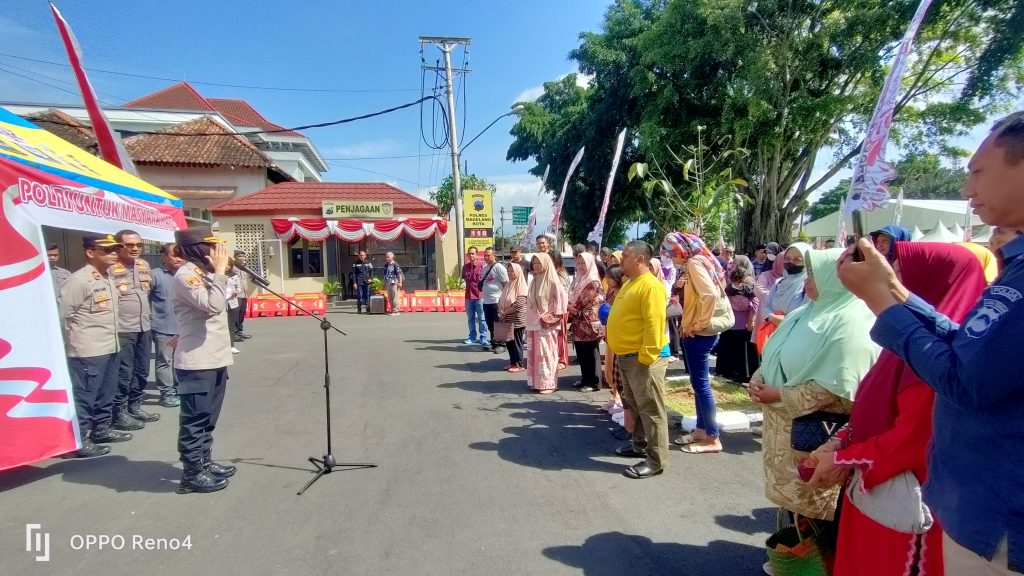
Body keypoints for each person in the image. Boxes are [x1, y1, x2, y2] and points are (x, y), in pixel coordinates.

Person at [836, 111, 1024, 574]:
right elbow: (965, 347)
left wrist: (884, 300)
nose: (967, 190)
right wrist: (898, 295)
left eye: (978, 171)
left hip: (997, 521)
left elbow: (963, 379)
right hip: (974, 509)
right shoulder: (1014, 270)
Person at [808, 242, 988, 576]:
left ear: (935, 282)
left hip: (909, 502)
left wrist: (842, 458)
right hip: (878, 494)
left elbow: (913, 440)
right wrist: (841, 441)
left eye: (900, 275)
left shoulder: (936, 356)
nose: (891, 283)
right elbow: (872, 408)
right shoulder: (907, 340)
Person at [749, 248, 880, 530]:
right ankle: (791, 556)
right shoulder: (804, 312)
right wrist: (759, 378)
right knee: (793, 508)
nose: (807, 280)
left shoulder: (853, 323)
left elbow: (838, 387)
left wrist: (778, 394)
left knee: (816, 509)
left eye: (814, 274)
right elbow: (775, 351)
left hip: (814, 433)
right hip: (784, 429)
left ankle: (809, 563)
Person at [171, 225, 235, 494]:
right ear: (195, 249)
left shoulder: (203, 273)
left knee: (209, 416)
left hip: (215, 357)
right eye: (209, 246)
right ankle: (191, 474)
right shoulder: (186, 276)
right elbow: (212, 305)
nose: (214, 251)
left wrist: (222, 271)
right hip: (197, 360)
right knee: (195, 419)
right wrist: (219, 273)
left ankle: (204, 462)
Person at [60, 233, 131, 457]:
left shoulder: (107, 276)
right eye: (107, 250)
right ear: (90, 253)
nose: (113, 254)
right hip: (87, 349)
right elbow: (64, 315)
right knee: (85, 394)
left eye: (115, 250)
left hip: (110, 345)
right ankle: (78, 439)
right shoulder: (79, 280)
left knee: (106, 391)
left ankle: (101, 428)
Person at [607, 241, 669, 479]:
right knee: (635, 405)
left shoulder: (650, 286)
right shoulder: (631, 283)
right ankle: (639, 446)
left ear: (640, 259)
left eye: (625, 257)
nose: (620, 260)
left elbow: (654, 325)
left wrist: (646, 358)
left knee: (651, 410)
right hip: (627, 357)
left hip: (642, 360)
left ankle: (656, 461)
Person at [662, 232, 726, 454]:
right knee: (699, 385)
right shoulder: (701, 260)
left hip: (700, 334)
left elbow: (709, 295)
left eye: (672, 252)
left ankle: (712, 437)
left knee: (701, 385)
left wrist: (697, 324)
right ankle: (702, 429)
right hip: (700, 332)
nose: (671, 257)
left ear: (681, 250)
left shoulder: (694, 263)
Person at [110, 229, 158, 431]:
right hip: (123, 328)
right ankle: (119, 412)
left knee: (142, 370)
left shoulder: (144, 265)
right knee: (124, 372)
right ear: (119, 247)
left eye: (138, 244)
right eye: (130, 245)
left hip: (144, 326)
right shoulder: (111, 269)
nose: (136, 248)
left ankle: (135, 405)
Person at [756, 243, 811, 351]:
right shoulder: (779, 283)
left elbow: (805, 315)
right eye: (787, 258)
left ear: (808, 261)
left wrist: (782, 322)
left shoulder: (808, 286)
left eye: (797, 259)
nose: (791, 262)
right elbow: (765, 305)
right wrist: (772, 318)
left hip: (794, 342)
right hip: (772, 339)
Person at [525, 252, 567, 394]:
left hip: (547, 324)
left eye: (539, 263)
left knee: (546, 354)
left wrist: (552, 317)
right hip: (533, 323)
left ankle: (549, 383)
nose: (536, 266)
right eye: (534, 263)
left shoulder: (553, 281)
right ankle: (536, 382)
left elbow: (561, 303)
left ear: (546, 264)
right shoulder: (534, 280)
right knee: (534, 354)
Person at [717, 256, 759, 383]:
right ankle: (744, 373)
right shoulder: (749, 287)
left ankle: (727, 371)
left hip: (730, 323)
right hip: (743, 324)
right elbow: (755, 303)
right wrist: (751, 319)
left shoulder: (729, 288)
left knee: (729, 348)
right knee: (744, 351)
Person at [150, 243, 182, 407]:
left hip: (185, 328)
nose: (178, 258)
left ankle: (179, 390)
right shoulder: (156, 275)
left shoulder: (188, 274)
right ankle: (167, 394)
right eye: (173, 255)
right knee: (165, 361)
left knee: (180, 362)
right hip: (165, 328)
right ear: (164, 257)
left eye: (180, 254)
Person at [568, 252, 605, 392]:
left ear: (590, 263)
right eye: (578, 263)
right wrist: (569, 305)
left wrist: (570, 307)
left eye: (583, 263)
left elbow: (584, 299)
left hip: (589, 321)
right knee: (581, 352)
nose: (580, 266)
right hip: (579, 320)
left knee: (590, 351)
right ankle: (585, 378)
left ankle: (594, 382)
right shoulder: (579, 278)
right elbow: (570, 294)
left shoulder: (592, 280)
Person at [497, 262, 528, 372]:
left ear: (518, 272)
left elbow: (519, 303)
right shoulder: (509, 284)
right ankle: (512, 362)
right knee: (509, 342)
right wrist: (500, 310)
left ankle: (519, 365)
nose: (510, 273)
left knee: (517, 342)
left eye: (512, 271)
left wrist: (505, 312)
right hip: (507, 319)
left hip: (517, 320)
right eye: (508, 271)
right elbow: (502, 299)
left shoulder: (521, 285)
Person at [480, 247, 509, 353]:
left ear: (494, 256)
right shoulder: (484, 268)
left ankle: (502, 344)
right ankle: (494, 343)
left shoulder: (499, 267)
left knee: (498, 324)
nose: (486, 257)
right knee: (490, 324)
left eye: (488, 255)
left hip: (497, 300)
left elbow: (506, 284)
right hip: (486, 301)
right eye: (485, 255)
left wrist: (505, 299)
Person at [550, 248, 571, 370]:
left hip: (561, 309)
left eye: (553, 260)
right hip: (550, 309)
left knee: (561, 335)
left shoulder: (561, 274)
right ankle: (555, 357)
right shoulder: (549, 273)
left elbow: (563, 293)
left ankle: (562, 359)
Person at [462, 246, 487, 345]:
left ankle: (483, 337)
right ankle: (472, 337)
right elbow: (465, 280)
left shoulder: (482, 265)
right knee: (470, 318)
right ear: (467, 255)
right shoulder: (465, 267)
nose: (471, 255)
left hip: (480, 296)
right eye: (469, 253)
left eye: (473, 253)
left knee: (481, 318)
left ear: (476, 254)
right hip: (468, 296)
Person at [231, 250, 251, 339]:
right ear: (235, 257)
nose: (242, 258)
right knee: (235, 314)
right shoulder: (231, 268)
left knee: (242, 314)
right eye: (239, 256)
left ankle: (239, 331)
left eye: (243, 256)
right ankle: (234, 333)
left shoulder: (245, 268)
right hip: (235, 295)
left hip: (244, 294)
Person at [225, 260, 242, 354]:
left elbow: (238, 288)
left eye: (228, 265)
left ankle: (231, 345)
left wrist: (235, 291)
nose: (226, 267)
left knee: (231, 325)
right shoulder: (215, 275)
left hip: (231, 301)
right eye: (224, 265)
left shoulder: (234, 276)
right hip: (220, 302)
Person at [352, 249, 374, 314]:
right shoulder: (355, 263)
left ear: (365, 256)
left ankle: (367, 309)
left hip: (367, 281)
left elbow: (372, 271)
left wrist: (371, 278)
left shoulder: (368, 262)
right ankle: (359, 309)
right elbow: (354, 274)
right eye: (361, 255)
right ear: (359, 256)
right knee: (359, 296)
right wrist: (354, 283)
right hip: (359, 282)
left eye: (363, 255)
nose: (362, 256)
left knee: (367, 295)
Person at [383, 251, 404, 316]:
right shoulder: (386, 265)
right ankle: (392, 309)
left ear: (392, 257)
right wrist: (384, 282)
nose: (387, 258)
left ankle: (396, 311)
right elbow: (385, 274)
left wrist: (400, 282)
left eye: (388, 257)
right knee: (390, 297)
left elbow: (399, 274)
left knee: (395, 297)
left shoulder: (395, 264)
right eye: (386, 257)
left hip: (394, 282)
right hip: (388, 282)